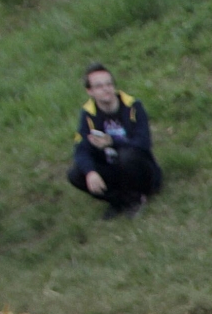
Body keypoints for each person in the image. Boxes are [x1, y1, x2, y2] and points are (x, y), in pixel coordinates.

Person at [67, 64, 162, 219]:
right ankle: (119, 201)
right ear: (89, 91)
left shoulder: (133, 107)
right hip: (113, 170)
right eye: (99, 86)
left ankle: (136, 198)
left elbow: (144, 143)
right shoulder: (88, 115)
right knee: (76, 174)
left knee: (127, 155)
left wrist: (112, 142)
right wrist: (90, 172)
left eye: (109, 84)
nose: (106, 89)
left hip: (142, 169)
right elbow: (81, 149)